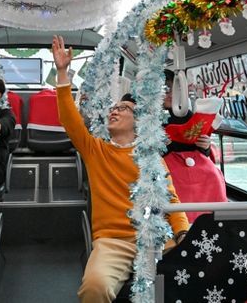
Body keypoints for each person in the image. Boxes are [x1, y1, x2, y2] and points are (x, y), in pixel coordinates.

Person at [52, 35, 189, 303]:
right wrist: (62, 73)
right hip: (113, 241)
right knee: (94, 287)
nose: (114, 111)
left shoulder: (151, 157)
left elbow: (170, 200)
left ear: (138, 122)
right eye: (113, 108)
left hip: (155, 237)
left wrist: (183, 232)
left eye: (123, 108)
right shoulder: (95, 150)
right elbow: (69, 119)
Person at [163, 69, 227, 222]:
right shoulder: (147, 119)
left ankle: (212, 220)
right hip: (166, 164)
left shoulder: (186, 115)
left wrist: (205, 146)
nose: (170, 94)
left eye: (173, 90)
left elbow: (201, 151)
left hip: (195, 163)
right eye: (165, 89)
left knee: (213, 174)